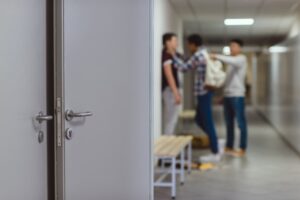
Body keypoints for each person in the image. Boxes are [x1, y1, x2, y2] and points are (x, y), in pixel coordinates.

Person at [173, 34, 222, 163]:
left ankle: (215, 151)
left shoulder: (198, 55)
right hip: (205, 92)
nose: (189, 47)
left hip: (203, 93)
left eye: (189, 44)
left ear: (194, 44)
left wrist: (172, 56)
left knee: (207, 122)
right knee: (199, 120)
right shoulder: (204, 53)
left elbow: (183, 68)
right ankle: (215, 140)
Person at [211, 39, 248, 157]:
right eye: (230, 46)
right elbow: (228, 81)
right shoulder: (230, 64)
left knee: (241, 123)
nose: (231, 48)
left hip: (237, 96)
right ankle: (229, 146)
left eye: (234, 46)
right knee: (228, 123)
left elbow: (233, 61)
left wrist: (216, 55)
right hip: (228, 96)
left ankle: (242, 147)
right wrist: (223, 95)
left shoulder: (241, 59)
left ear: (239, 48)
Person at [161, 33, 181, 135]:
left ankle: (169, 137)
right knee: (171, 118)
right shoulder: (166, 56)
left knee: (173, 117)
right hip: (169, 90)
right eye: (174, 41)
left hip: (172, 90)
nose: (177, 43)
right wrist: (176, 92)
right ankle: (168, 139)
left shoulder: (173, 55)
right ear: (167, 42)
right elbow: (169, 76)